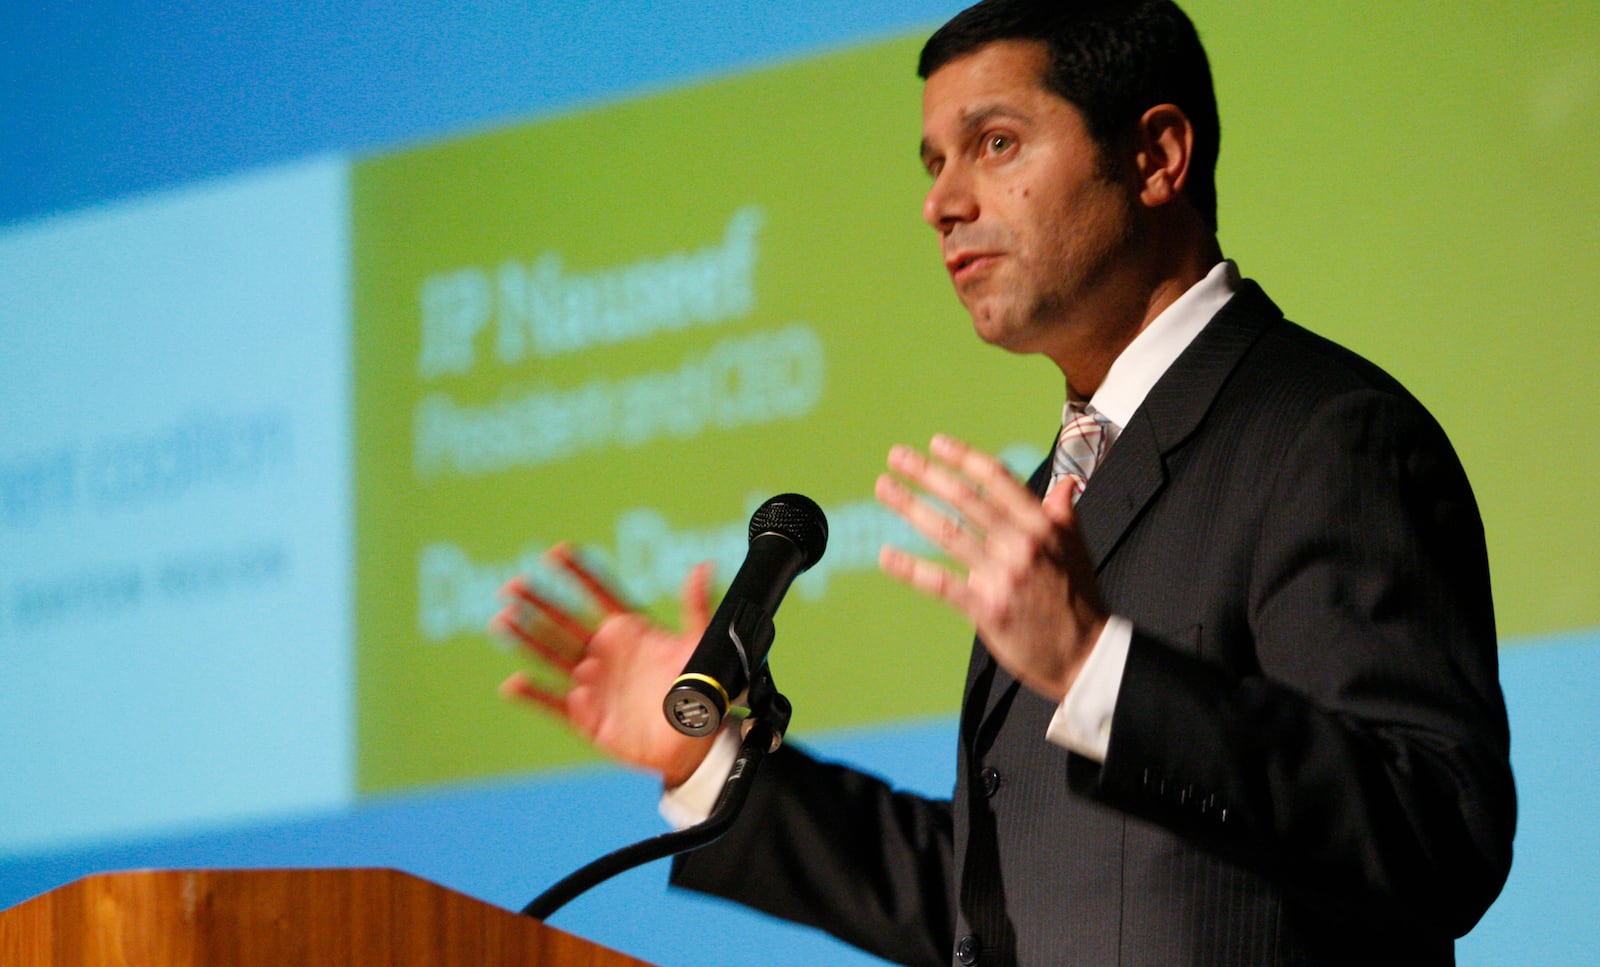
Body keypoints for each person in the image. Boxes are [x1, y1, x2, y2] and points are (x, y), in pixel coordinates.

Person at [494, 1, 1516, 964]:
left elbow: (1437, 829)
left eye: (994, 144)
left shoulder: (1325, 433)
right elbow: (1004, 900)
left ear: (1155, 157)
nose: (940, 202)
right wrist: (710, 765)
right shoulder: (1070, 478)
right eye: (934, 161)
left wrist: (1095, 664)